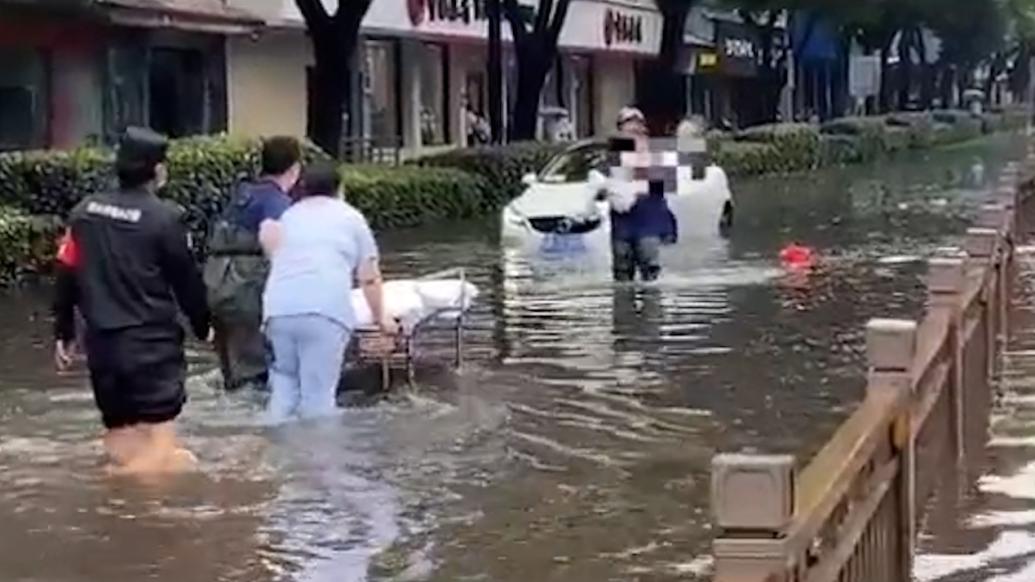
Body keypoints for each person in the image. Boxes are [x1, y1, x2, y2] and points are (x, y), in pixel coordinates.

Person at [53, 127, 210, 475]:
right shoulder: (165, 218)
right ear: (158, 170)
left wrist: (64, 332)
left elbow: (66, 272)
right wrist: (205, 326)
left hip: (103, 347)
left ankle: (116, 498)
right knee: (162, 453)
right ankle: (129, 490)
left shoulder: (84, 212)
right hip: (151, 348)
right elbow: (186, 280)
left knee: (122, 441)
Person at [262, 162, 397, 423]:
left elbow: (277, 261)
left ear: (303, 188)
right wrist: (382, 319)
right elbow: (369, 278)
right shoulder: (351, 218)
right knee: (318, 399)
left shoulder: (288, 216)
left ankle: (272, 444)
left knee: (284, 391)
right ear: (340, 188)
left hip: (278, 312)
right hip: (324, 313)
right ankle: (321, 449)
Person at [204, 137, 302, 393]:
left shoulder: (242, 195)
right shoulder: (277, 202)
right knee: (255, 375)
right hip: (248, 293)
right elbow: (277, 248)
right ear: (294, 168)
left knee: (232, 371)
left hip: (218, 287)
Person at [609, 107, 678, 282]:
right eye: (627, 125)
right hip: (622, 223)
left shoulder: (655, 152)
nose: (632, 129)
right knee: (622, 271)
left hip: (648, 220)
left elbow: (666, 183)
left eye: (636, 125)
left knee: (650, 270)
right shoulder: (614, 154)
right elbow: (604, 182)